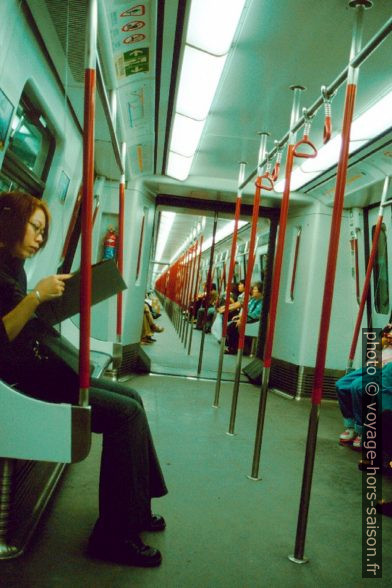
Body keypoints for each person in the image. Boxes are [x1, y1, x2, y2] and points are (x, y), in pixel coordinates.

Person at [0, 192, 168, 567]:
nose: (40, 238)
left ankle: (137, 507)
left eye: (43, 231)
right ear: (11, 223)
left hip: (43, 366)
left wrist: (46, 300)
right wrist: (35, 298)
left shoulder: (14, 266)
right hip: (25, 380)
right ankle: (113, 537)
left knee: (133, 401)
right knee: (124, 416)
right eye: (35, 228)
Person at [336, 325, 392, 449]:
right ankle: (350, 426)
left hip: (387, 368)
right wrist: (382, 338)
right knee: (342, 385)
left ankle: (362, 430)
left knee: (358, 387)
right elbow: (377, 352)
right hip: (376, 364)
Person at [225, 282, 262, 354]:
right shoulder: (253, 300)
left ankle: (234, 348)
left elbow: (255, 315)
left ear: (260, 291)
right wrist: (239, 316)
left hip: (253, 321)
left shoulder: (261, 302)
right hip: (247, 318)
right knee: (231, 323)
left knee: (232, 327)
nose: (253, 291)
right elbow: (246, 310)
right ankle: (234, 347)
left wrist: (242, 319)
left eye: (255, 289)